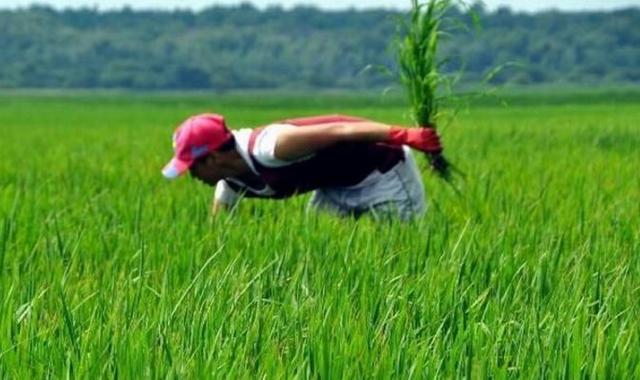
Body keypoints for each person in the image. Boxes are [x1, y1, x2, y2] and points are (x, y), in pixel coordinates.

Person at [162, 113, 443, 220]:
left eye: (193, 168)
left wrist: (405, 135)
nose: (194, 176)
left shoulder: (272, 146)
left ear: (212, 158)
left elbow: (341, 129)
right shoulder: (230, 179)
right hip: (335, 187)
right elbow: (218, 227)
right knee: (320, 250)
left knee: (401, 250)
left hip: (384, 174)